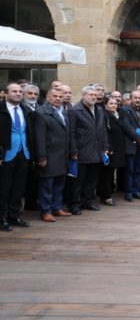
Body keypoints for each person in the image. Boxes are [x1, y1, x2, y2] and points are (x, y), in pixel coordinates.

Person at [68, 85, 110, 214]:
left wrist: (105, 148)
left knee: (92, 180)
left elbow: (102, 130)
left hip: (97, 151)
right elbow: (71, 133)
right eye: (90, 95)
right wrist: (73, 151)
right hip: (81, 151)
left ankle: (87, 201)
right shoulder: (75, 110)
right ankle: (74, 204)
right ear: (83, 95)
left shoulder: (99, 110)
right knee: (77, 181)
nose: (93, 97)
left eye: (95, 95)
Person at [33, 87, 72, 222]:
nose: (58, 99)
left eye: (60, 96)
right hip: (49, 155)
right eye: (55, 96)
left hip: (62, 154)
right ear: (47, 97)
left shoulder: (64, 112)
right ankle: (46, 211)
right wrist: (41, 156)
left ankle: (57, 207)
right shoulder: (41, 113)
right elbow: (39, 137)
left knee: (59, 184)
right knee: (46, 185)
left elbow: (68, 134)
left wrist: (71, 152)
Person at [0, 83, 33, 231]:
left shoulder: (25, 110)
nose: (19, 93)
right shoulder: (1, 110)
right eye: (14, 91)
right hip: (5, 154)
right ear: (5, 94)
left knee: (18, 188)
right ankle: (2, 219)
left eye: (20, 91)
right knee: (3, 188)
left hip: (23, 153)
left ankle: (15, 216)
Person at [101, 95, 138, 205]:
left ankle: (109, 193)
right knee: (107, 174)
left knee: (113, 172)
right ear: (105, 105)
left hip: (119, 148)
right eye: (111, 103)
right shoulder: (104, 116)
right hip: (110, 149)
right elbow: (104, 133)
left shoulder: (118, 114)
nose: (113, 105)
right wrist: (108, 147)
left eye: (115, 104)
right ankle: (106, 196)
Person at [120, 90, 140, 201]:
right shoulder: (124, 110)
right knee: (129, 170)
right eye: (135, 98)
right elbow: (126, 126)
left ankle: (137, 190)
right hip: (130, 144)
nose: (138, 100)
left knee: (139, 169)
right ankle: (128, 192)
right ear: (131, 99)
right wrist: (138, 138)